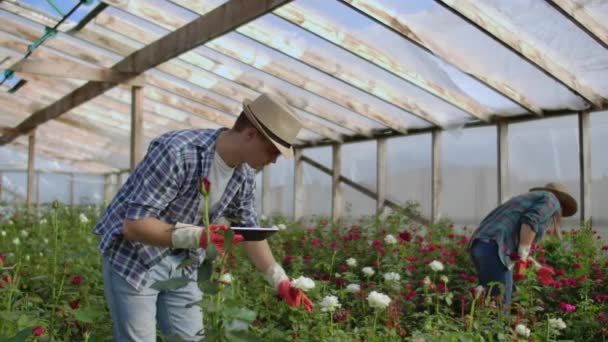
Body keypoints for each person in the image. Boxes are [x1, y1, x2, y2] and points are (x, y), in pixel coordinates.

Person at [93, 93, 314, 341]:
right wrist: (198, 236)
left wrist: (280, 281)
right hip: (134, 258)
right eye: (273, 151)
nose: (273, 160)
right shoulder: (177, 151)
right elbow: (134, 225)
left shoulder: (244, 176)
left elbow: (250, 232)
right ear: (250, 134)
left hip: (184, 262)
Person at [467, 182, 577, 305]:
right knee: (500, 308)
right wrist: (522, 257)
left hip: (480, 246)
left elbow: (517, 239)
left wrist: (536, 266)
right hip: (494, 248)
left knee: (488, 303)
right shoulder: (552, 200)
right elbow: (530, 221)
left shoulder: (528, 199)